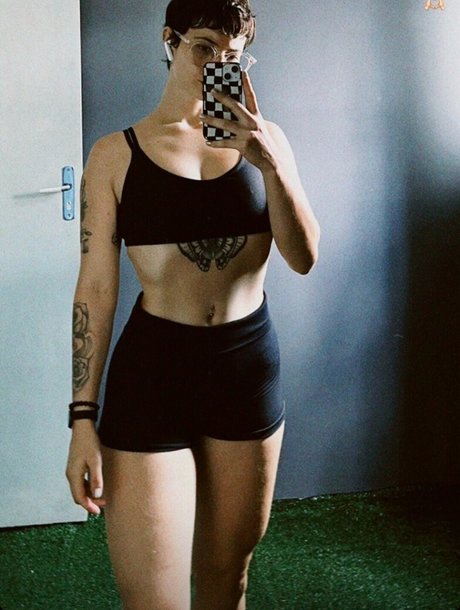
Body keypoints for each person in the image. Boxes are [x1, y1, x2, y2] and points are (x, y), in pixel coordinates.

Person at [66, 1, 320, 608]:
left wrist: (269, 164)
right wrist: (81, 419)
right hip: (154, 372)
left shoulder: (269, 143)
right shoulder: (115, 155)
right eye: (203, 47)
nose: (215, 64)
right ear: (170, 41)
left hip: (245, 368)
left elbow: (303, 257)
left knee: (227, 579)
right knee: (153, 600)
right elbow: (95, 289)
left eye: (232, 56)